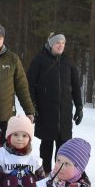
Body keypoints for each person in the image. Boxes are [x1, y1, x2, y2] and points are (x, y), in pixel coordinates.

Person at [27, 32, 84, 173]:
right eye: (58, 42)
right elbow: (29, 85)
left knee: (63, 148)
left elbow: (76, 86)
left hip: (64, 112)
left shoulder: (68, 62)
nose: (61, 45)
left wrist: (79, 107)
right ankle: (44, 174)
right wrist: (32, 106)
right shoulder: (39, 60)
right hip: (45, 112)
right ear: (51, 44)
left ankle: (59, 175)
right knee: (46, 146)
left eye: (63, 43)